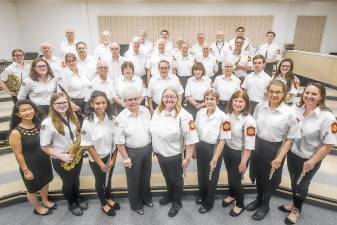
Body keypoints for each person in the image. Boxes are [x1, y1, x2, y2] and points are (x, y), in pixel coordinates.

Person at [280, 82, 336, 224]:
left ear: (321, 96)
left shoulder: (328, 117)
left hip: (309, 158)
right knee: (294, 181)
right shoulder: (297, 109)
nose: (309, 96)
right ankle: (294, 204)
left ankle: (296, 210)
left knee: (302, 184)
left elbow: (328, 144)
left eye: (314, 94)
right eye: (307, 92)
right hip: (293, 154)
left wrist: (312, 161)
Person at [247, 80, 300, 221]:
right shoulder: (259, 106)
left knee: (269, 179)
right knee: (258, 175)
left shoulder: (289, 113)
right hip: (258, 146)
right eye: (271, 91)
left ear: (284, 94)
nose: (274, 94)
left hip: (275, 149)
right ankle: (258, 199)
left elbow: (290, 139)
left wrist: (279, 158)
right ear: (267, 92)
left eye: (278, 92)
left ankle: (265, 205)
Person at [150, 88, 199, 217]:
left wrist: (187, 158)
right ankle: (170, 195)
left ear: (177, 98)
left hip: (175, 154)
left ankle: (177, 202)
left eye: (172, 96)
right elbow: (153, 130)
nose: (169, 99)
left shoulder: (184, 115)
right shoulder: (158, 111)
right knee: (167, 177)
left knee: (176, 179)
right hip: (160, 153)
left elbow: (191, 138)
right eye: (166, 96)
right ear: (162, 98)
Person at [40, 92, 88, 216]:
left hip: (75, 154)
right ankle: (71, 202)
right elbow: (44, 146)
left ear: (68, 103)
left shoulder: (72, 116)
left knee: (75, 179)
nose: (62, 105)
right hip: (61, 158)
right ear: (52, 105)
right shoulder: (47, 123)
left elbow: (77, 134)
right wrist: (62, 156)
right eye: (58, 103)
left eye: (64, 102)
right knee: (68, 182)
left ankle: (77, 197)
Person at [8, 100, 54, 215]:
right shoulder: (16, 132)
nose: (28, 112)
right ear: (18, 114)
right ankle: (37, 208)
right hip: (30, 165)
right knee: (32, 189)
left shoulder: (39, 124)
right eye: (23, 110)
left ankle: (45, 200)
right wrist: (26, 170)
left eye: (30, 108)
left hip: (44, 160)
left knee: (45, 182)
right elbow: (18, 154)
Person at [81, 91, 120, 217]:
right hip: (97, 159)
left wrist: (113, 159)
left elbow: (116, 141)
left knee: (108, 180)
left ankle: (108, 198)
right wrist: (101, 164)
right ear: (92, 104)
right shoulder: (87, 122)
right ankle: (103, 203)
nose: (101, 106)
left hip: (110, 157)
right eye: (97, 103)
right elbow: (89, 146)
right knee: (100, 181)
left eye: (103, 103)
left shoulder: (112, 119)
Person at [115, 89, 153, 215]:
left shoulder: (146, 111)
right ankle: (136, 204)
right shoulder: (120, 118)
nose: (133, 102)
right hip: (131, 152)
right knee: (133, 180)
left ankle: (146, 198)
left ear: (139, 99)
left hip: (147, 149)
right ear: (124, 101)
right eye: (129, 100)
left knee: (146, 177)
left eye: (135, 98)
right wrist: (126, 158)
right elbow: (119, 142)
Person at [195, 89, 230, 213]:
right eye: (207, 99)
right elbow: (195, 131)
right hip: (200, 146)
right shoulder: (200, 113)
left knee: (211, 176)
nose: (209, 101)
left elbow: (223, 140)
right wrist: (194, 149)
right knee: (201, 174)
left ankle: (208, 203)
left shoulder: (224, 118)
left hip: (214, 149)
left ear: (217, 101)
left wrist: (215, 158)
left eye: (212, 99)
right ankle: (202, 194)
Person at [222, 90, 256, 217]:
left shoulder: (249, 120)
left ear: (246, 103)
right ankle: (232, 194)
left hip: (240, 154)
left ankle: (240, 203)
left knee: (236, 180)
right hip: (228, 150)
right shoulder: (228, 115)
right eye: (235, 100)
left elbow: (249, 144)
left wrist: (243, 162)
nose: (237, 103)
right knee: (231, 176)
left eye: (241, 101)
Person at [58, 53, 89, 123]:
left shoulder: (82, 72)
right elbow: (60, 93)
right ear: (65, 63)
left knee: (86, 124)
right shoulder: (63, 75)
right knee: (77, 125)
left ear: (76, 61)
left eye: (73, 60)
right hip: (74, 103)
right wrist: (70, 104)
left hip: (86, 102)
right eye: (69, 61)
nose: (71, 62)